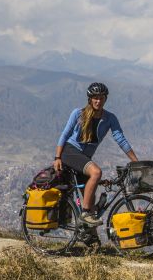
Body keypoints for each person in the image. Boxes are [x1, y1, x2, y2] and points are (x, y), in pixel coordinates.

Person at [53, 82, 138, 226]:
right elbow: (65, 134)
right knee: (96, 172)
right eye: (95, 98)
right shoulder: (78, 114)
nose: (98, 101)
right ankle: (85, 213)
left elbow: (120, 139)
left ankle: (91, 238)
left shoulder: (110, 118)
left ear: (105, 99)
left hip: (84, 158)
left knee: (92, 203)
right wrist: (57, 157)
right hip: (70, 152)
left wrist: (135, 161)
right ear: (90, 99)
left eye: (101, 98)